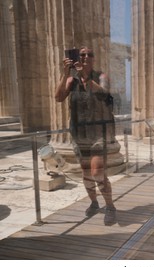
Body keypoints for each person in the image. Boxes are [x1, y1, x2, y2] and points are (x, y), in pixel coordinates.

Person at [55, 46, 117, 225]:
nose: (86, 57)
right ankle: (94, 202)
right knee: (86, 173)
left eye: (90, 54)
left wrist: (85, 77)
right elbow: (58, 97)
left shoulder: (101, 77)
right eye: (82, 54)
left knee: (98, 172)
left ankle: (110, 206)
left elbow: (104, 95)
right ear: (77, 58)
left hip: (99, 133)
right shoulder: (71, 81)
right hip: (79, 134)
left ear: (94, 58)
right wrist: (64, 73)